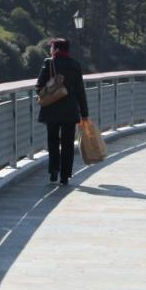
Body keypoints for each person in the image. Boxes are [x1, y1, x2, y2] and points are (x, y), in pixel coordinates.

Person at [36, 38, 90, 186]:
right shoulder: (75, 65)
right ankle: (65, 175)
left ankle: (54, 170)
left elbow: (39, 86)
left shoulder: (49, 63)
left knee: (53, 141)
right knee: (67, 144)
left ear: (57, 50)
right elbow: (80, 91)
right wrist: (84, 112)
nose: (50, 50)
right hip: (70, 111)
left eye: (52, 47)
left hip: (52, 109)